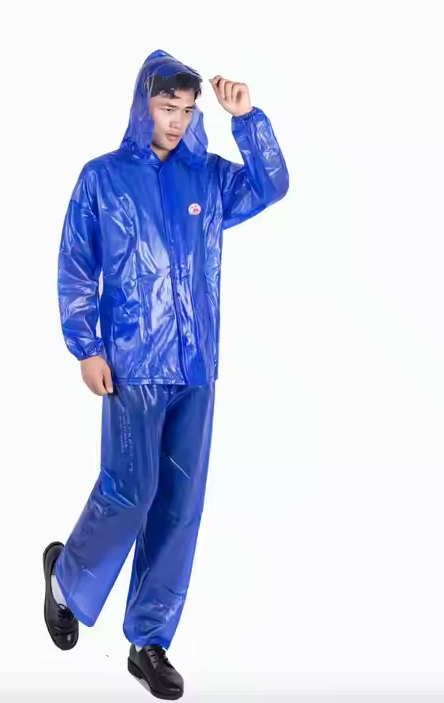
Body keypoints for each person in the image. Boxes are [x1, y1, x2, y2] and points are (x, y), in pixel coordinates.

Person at [43, 49, 288, 700]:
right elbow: (76, 262)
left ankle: (148, 639)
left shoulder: (207, 178)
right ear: (142, 105)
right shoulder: (103, 179)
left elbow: (271, 186)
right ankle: (68, 579)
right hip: (131, 365)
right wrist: (87, 346)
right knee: (130, 491)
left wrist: (248, 120)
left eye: (185, 110)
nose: (176, 120)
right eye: (165, 107)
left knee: (180, 507)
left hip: (196, 364)